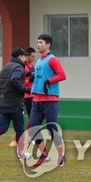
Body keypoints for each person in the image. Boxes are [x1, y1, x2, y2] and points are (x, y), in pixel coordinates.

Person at [29, 33, 67, 167]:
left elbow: (62, 75)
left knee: (52, 129)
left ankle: (61, 156)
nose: (38, 45)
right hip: (36, 100)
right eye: (38, 42)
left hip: (50, 100)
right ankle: (44, 155)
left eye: (41, 42)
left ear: (48, 45)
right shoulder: (39, 61)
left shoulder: (53, 60)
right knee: (33, 128)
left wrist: (49, 81)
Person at [23, 47, 36, 124]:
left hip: (34, 93)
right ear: (27, 56)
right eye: (32, 56)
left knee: (34, 116)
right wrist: (29, 80)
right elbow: (19, 81)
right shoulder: (23, 66)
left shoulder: (32, 65)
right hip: (27, 95)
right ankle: (32, 133)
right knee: (32, 116)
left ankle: (30, 132)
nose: (33, 58)